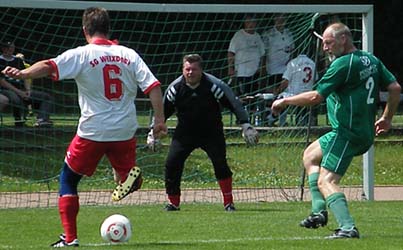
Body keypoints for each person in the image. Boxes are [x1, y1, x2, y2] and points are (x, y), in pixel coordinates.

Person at [2, 7, 167, 247]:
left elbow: (49, 66)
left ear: (84, 30)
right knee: (124, 178)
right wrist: (159, 121)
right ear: (108, 29)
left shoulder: (82, 54)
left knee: (68, 179)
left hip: (93, 130)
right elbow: (153, 86)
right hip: (124, 129)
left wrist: (23, 72)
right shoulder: (129, 54)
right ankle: (133, 178)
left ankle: (70, 239)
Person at [271, 22, 401, 239]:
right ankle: (318, 211)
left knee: (327, 181)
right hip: (358, 130)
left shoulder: (342, 64)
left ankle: (348, 227)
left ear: (343, 39)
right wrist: (387, 118)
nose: (325, 47)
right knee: (310, 156)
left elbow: (316, 97)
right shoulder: (370, 59)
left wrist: (285, 100)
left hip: (348, 132)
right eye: (323, 43)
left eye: (329, 42)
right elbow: (395, 88)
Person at [147, 54, 258, 212]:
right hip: (185, 133)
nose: (190, 72)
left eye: (194, 69)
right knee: (172, 164)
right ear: (182, 70)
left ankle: (228, 203)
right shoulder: (175, 88)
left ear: (201, 70)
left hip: (211, 132)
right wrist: (154, 131)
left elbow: (233, 103)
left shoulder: (214, 85)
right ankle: (174, 203)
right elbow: (162, 112)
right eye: (187, 69)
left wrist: (246, 125)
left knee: (220, 164)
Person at [0, 41, 53, 127]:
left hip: (22, 90)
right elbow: (2, 81)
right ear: (3, 49)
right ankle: (19, 122)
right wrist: (19, 92)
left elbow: (25, 75)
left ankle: (42, 120)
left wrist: (28, 90)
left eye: (12, 47)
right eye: (8, 48)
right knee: (16, 99)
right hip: (6, 90)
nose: (10, 49)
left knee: (46, 97)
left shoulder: (18, 60)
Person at [268, 54, 316, 126]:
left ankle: (275, 120)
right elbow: (315, 79)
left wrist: (277, 91)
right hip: (308, 95)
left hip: (293, 94)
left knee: (280, 99)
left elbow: (285, 82)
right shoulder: (312, 63)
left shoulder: (293, 63)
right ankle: (302, 120)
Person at [228, 14, 266, 97]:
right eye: (248, 22)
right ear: (245, 23)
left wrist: (262, 68)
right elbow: (231, 52)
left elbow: (262, 54)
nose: (251, 24)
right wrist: (230, 68)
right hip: (242, 73)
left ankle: (252, 109)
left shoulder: (257, 36)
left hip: (255, 73)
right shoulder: (238, 35)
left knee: (254, 96)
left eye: (253, 22)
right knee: (243, 96)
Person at [262, 13, 295, 93]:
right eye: (278, 20)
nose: (280, 22)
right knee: (273, 93)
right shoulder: (268, 34)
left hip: (286, 69)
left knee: (285, 92)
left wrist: (290, 61)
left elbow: (292, 50)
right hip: (272, 70)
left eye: (282, 20)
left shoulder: (289, 33)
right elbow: (263, 53)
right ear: (274, 20)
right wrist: (263, 67)